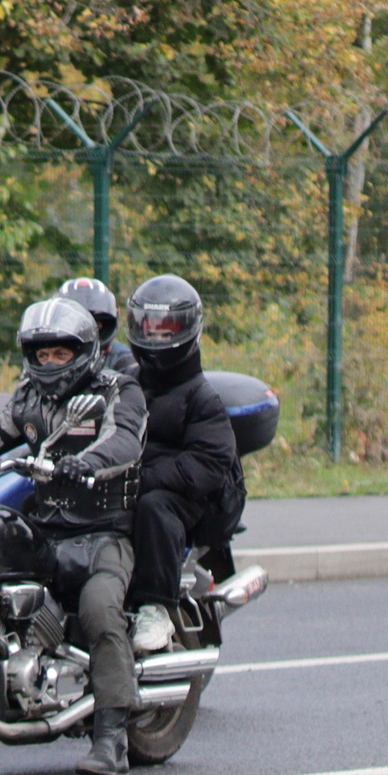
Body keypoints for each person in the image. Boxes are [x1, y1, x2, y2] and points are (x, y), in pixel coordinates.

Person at [0, 296, 148, 775]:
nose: (49, 364)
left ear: (84, 351)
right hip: (47, 529)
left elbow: (126, 440)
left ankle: (111, 740)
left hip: (103, 533)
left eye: (60, 355)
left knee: (99, 608)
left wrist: (85, 464)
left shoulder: (117, 390)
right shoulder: (30, 396)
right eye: (41, 355)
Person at [121, 274, 242, 655]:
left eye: (166, 328)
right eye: (149, 327)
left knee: (153, 507)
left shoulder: (202, 396)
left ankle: (155, 607)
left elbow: (207, 463)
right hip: (140, 483)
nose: (156, 336)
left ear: (187, 329)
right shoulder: (126, 384)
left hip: (199, 498)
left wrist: (144, 480)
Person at [56, 276, 137, 379]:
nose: (87, 332)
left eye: (95, 324)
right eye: (78, 325)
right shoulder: (47, 358)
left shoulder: (124, 361)